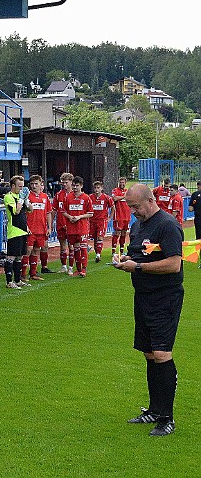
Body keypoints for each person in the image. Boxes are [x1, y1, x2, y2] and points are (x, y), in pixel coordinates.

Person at [113, 184, 184, 437]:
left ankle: (167, 418)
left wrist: (139, 269)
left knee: (162, 353)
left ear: (151, 200)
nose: (133, 212)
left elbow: (174, 264)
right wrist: (124, 261)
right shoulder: (137, 226)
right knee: (149, 354)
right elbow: (139, 255)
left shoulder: (167, 224)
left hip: (165, 298)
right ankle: (155, 409)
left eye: (135, 206)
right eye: (130, 207)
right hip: (142, 297)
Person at [61, 176, 93, 277]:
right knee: (75, 249)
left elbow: (91, 213)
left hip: (82, 227)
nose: (75, 188)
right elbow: (63, 211)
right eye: (74, 185)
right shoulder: (68, 197)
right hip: (71, 228)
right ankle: (78, 269)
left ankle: (84, 269)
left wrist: (79, 217)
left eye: (77, 186)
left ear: (81, 186)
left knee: (83, 248)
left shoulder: (86, 198)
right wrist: (70, 217)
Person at [24, 175, 53, 280]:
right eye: (32, 184)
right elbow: (23, 213)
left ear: (41, 184)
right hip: (30, 229)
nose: (34, 186)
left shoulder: (45, 197)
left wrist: (49, 227)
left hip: (41, 228)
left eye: (36, 183)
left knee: (36, 250)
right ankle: (23, 274)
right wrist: (25, 226)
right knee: (28, 249)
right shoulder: (27, 197)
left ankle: (33, 274)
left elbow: (48, 213)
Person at [3, 175, 31, 289]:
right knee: (11, 257)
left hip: (22, 231)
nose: (21, 189)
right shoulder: (8, 197)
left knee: (19, 257)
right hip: (14, 231)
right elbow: (16, 211)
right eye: (19, 186)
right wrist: (21, 199)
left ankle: (18, 280)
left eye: (23, 186)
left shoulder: (21, 196)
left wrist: (27, 200)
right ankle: (9, 282)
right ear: (13, 186)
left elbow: (30, 209)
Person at [53, 172, 74, 273]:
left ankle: (71, 267)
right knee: (62, 246)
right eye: (63, 183)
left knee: (71, 246)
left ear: (71, 182)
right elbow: (54, 210)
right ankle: (64, 266)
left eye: (66, 182)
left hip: (71, 224)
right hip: (60, 223)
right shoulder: (58, 195)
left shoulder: (75, 195)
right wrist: (50, 224)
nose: (64, 184)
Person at [89, 180, 114, 263]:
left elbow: (113, 207)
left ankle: (98, 255)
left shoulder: (106, 198)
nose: (96, 189)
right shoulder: (90, 197)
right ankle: (97, 253)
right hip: (92, 221)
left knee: (100, 237)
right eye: (95, 188)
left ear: (101, 188)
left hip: (102, 221)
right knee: (95, 238)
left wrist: (110, 217)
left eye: (98, 188)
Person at [111, 177, 131, 256]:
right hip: (118, 216)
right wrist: (124, 196)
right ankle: (113, 252)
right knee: (117, 233)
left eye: (123, 182)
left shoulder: (127, 191)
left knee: (124, 233)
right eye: (121, 182)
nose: (122, 184)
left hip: (127, 216)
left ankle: (122, 251)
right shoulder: (115, 190)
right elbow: (115, 198)